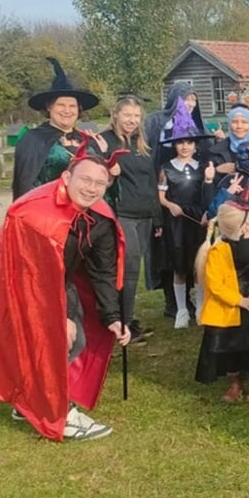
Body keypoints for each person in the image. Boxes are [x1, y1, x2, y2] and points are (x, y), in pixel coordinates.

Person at [0, 149, 128, 442]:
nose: (91, 188)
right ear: (67, 176)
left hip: (57, 280)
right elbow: (30, 280)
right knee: (52, 340)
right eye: (85, 179)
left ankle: (31, 400)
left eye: (100, 183)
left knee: (75, 339)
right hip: (11, 278)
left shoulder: (100, 218)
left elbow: (102, 272)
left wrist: (113, 317)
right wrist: (60, 319)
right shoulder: (33, 214)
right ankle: (56, 411)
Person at [99, 95, 158, 343]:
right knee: (129, 266)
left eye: (136, 116)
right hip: (122, 212)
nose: (132, 121)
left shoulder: (141, 143)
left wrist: (158, 217)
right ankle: (121, 321)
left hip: (144, 213)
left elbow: (151, 180)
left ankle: (128, 317)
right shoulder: (106, 142)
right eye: (127, 115)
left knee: (136, 267)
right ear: (116, 115)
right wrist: (108, 166)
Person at [194, 200, 249, 401]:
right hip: (230, 305)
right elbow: (215, 285)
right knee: (229, 346)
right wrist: (238, 300)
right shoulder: (218, 250)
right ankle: (234, 382)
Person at [157, 103, 214, 329]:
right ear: (174, 144)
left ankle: (200, 306)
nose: (184, 146)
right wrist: (169, 204)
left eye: (188, 142)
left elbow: (206, 193)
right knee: (179, 265)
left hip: (197, 218)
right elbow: (160, 196)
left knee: (198, 265)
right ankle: (182, 309)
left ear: (195, 145)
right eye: (180, 142)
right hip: (177, 220)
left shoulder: (202, 167)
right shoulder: (166, 168)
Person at [11, 57, 100, 199]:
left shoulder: (88, 140)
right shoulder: (33, 140)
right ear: (49, 107)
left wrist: (106, 156)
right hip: (48, 212)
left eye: (72, 106)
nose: (67, 110)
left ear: (79, 110)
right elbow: (25, 184)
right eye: (61, 105)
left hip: (85, 215)